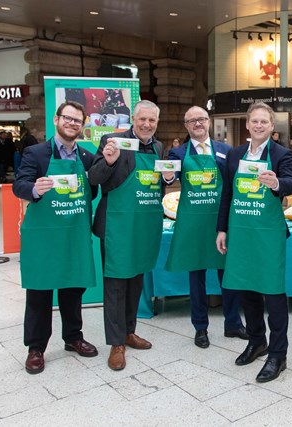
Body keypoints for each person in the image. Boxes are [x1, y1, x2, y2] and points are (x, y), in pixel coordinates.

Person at [12, 101, 99, 374]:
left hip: (74, 233)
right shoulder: (36, 153)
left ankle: (73, 337)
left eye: (77, 120)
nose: (72, 124)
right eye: (68, 119)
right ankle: (36, 348)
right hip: (45, 237)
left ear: (83, 125)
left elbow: (91, 192)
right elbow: (20, 184)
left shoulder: (86, 157)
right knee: (40, 292)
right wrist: (35, 188)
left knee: (73, 288)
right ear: (56, 119)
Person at [88, 100, 173, 371]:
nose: (147, 124)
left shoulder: (159, 147)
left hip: (143, 226)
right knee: (115, 285)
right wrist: (109, 163)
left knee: (135, 280)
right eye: (143, 119)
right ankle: (115, 344)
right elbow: (95, 178)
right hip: (117, 225)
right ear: (133, 119)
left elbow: (159, 183)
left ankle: (128, 331)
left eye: (152, 121)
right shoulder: (113, 141)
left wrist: (169, 179)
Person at [216, 102, 292, 382]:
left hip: (268, 233)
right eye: (255, 121)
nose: (259, 125)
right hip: (240, 231)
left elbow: (290, 184)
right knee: (246, 288)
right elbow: (227, 193)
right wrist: (222, 229)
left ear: (272, 126)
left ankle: (278, 354)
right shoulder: (235, 154)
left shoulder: (282, 154)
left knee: (273, 293)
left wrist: (276, 183)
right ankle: (256, 340)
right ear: (247, 125)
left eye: (265, 121)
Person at [165, 106, 246, 348]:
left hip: (221, 221)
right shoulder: (177, 153)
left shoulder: (226, 150)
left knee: (227, 274)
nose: (197, 124)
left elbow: (234, 183)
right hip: (193, 223)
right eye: (192, 121)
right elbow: (168, 177)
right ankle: (200, 327)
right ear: (186, 125)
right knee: (196, 275)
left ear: (208, 122)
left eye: (201, 119)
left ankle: (232, 323)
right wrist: (168, 176)